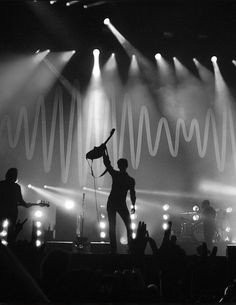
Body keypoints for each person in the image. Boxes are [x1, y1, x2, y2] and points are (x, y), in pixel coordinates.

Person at [102, 148, 136, 253]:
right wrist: (133, 205)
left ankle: (114, 249)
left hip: (113, 202)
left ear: (120, 166)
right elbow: (132, 194)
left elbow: (107, 165)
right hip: (119, 203)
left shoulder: (117, 175)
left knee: (113, 226)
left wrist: (104, 153)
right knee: (127, 225)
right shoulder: (130, 180)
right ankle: (130, 247)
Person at [0, 168, 30, 244]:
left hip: (2, 212)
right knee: (10, 232)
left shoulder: (1, 184)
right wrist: (26, 205)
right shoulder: (16, 187)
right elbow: (20, 201)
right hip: (12, 213)